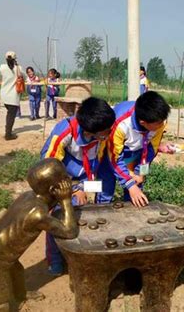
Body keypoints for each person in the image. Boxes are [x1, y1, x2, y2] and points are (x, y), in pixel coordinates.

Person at [0, 158, 78, 311]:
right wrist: (66, 200)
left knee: (15, 269)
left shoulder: (28, 196)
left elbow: (49, 203)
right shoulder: (37, 215)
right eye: (65, 179)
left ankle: (20, 295)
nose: (68, 181)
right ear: (52, 190)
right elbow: (70, 232)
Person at [41, 96, 116, 275]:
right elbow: (49, 169)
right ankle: (55, 260)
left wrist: (85, 187)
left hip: (86, 178)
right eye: (105, 131)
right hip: (60, 180)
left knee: (100, 205)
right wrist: (74, 190)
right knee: (58, 217)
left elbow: (98, 163)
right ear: (90, 132)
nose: (109, 133)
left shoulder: (103, 134)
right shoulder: (64, 133)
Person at [98, 91, 170, 207]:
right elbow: (115, 158)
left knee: (136, 188)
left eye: (163, 121)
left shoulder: (159, 121)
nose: (162, 125)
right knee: (106, 188)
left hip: (136, 153)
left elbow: (151, 151)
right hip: (112, 154)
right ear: (143, 122)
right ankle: (101, 209)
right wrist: (129, 183)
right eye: (159, 123)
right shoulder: (120, 123)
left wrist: (140, 173)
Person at [0, 51, 23, 140]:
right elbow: (22, 75)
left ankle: (8, 131)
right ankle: (8, 134)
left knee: (9, 114)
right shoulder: (18, 68)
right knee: (11, 116)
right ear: (15, 59)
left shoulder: (2, 67)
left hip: (4, 94)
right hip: (13, 96)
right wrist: (17, 64)